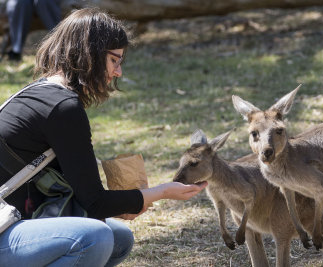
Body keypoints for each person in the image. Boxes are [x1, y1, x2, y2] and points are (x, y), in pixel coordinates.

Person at [0, 8, 207, 266]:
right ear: (90, 55)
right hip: (5, 227)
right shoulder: (62, 108)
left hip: (16, 219)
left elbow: (82, 194)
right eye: (114, 60)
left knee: (118, 238)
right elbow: (95, 202)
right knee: (95, 238)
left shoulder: (44, 92)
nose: (118, 72)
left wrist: (126, 204)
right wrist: (163, 191)